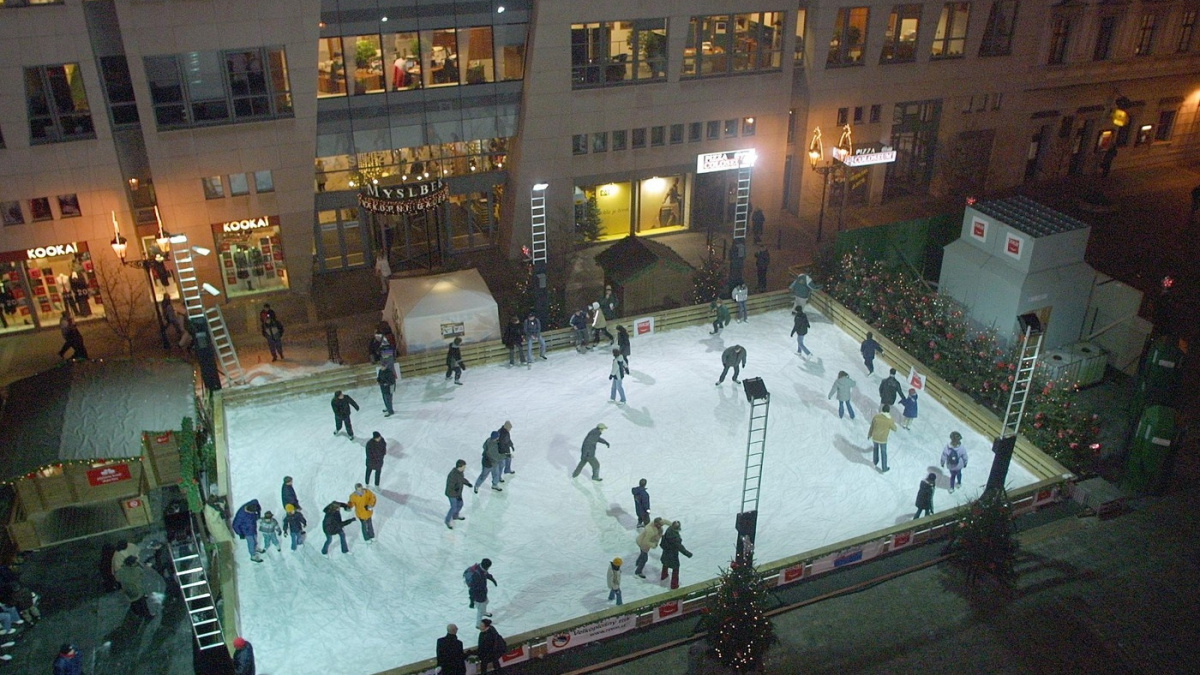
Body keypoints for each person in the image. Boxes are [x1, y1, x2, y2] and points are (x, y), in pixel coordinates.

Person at [659, 521, 693, 590]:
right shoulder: (675, 538)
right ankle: (674, 585)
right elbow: (680, 547)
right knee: (675, 569)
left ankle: (664, 576)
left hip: (666, 552)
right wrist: (688, 554)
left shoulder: (668, 530)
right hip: (672, 555)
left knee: (665, 563)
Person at [464, 558, 497, 625]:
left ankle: (484, 612)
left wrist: (492, 579)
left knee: (486, 602)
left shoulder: (480, 567)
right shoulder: (476, 576)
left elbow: (486, 574)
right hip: (478, 596)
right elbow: (472, 590)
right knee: (480, 611)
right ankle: (478, 624)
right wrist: (472, 601)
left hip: (483, 592)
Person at [867, 404, 898, 473]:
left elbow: (872, 427)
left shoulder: (876, 417)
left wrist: (869, 434)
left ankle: (875, 461)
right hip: (883, 439)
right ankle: (884, 467)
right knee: (883, 453)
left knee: (875, 449)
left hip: (875, 437)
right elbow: (894, 428)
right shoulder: (889, 420)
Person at [445, 459, 471, 529]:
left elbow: (461, 479)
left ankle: (455, 516)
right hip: (452, 494)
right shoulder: (453, 475)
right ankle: (447, 520)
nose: (465, 468)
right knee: (453, 507)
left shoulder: (460, 472)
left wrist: (467, 483)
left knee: (460, 504)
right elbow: (450, 486)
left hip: (457, 493)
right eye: (464, 467)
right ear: (460, 467)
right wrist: (456, 494)